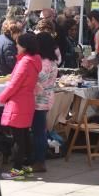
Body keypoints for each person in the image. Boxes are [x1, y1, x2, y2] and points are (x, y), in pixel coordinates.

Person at [0, 33, 42, 177]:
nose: (16, 46)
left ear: (24, 46)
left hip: (18, 102)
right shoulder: (34, 60)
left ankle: (17, 169)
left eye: (18, 44)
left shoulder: (25, 62)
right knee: (24, 136)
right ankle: (26, 166)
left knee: (18, 138)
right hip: (27, 101)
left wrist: (2, 98)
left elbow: (14, 84)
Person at [31, 32, 59, 173]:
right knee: (40, 130)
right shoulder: (52, 61)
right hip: (47, 97)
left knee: (39, 131)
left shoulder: (45, 63)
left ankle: (39, 161)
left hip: (40, 99)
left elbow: (38, 79)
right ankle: (38, 159)